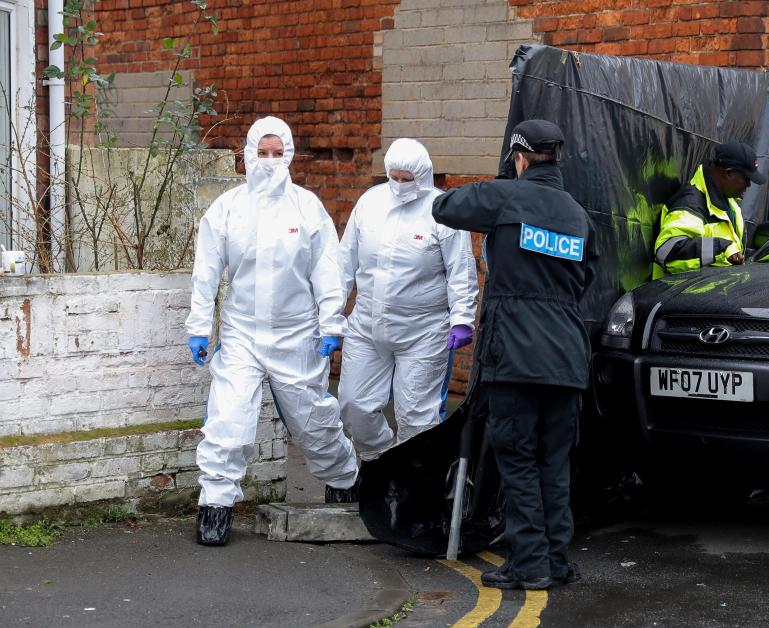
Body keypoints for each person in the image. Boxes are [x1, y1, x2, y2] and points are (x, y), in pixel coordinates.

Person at [432, 119, 599, 591]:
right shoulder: (576, 215)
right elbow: (587, 276)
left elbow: (445, 207)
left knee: (519, 459)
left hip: (517, 356)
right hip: (566, 356)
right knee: (554, 460)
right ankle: (556, 558)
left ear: (519, 157)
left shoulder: (507, 196)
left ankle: (529, 563)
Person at [185, 116, 358, 545]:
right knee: (229, 418)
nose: (268, 162)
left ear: (290, 155)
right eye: (261, 153)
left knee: (313, 421)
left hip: (296, 335)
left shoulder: (306, 206)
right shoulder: (227, 208)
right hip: (242, 334)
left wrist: (331, 322)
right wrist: (199, 326)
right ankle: (216, 505)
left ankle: (344, 479)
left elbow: (326, 270)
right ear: (247, 154)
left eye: (277, 154)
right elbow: (206, 272)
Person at [328, 138, 478, 467]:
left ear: (422, 176)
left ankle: (412, 483)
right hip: (368, 323)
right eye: (393, 177)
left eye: (406, 179)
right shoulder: (370, 204)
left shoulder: (442, 211)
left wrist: (462, 319)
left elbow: (460, 270)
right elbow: (344, 263)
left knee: (416, 416)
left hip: (424, 330)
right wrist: (330, 315)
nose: (399, 185)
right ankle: (378, 462)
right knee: (353, 405)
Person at [653, 140, 766, 276]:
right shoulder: (690, 205)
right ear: (729, 173)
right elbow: (666, 252)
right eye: (746, 179)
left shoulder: (729, 204)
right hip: (683, 295)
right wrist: (720, 248)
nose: (748, 185)